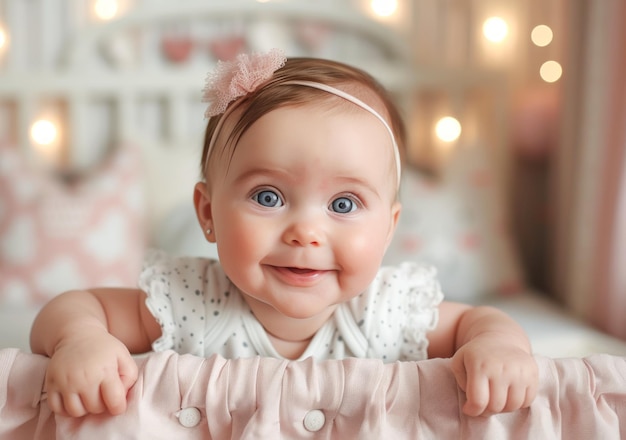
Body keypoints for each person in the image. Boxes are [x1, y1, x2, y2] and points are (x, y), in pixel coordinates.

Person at [30, 49, 538, 419]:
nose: (305, 232)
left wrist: (499, 347)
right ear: (207, 212)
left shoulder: (388, 312)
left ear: (389, 230)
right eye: (268, 197)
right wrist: (80, 340)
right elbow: (76, 306)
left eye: (344, 204)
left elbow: (478, 320)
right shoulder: (190, 301)